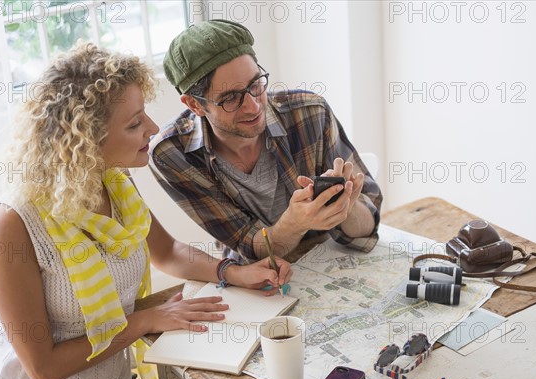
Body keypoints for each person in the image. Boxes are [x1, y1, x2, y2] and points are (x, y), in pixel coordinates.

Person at [0, 43, 291, 379]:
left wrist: (235, 272)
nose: (152, 127)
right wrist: (144, 320)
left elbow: (167, 251)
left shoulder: (113, 181)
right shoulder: (11, 226)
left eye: (143, 114)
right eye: (134, 124)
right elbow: (44, 370)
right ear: (84, 142)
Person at [149, 19, 383, 263]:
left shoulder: (311, 113)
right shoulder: (172, 153)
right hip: (259, 282)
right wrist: (294, 223)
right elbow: (248, 247)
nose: (253, 106)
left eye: (255, 84)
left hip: (332, 260)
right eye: (231, 98)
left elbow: (368, 227)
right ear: (195, 104)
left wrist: (347, 207)